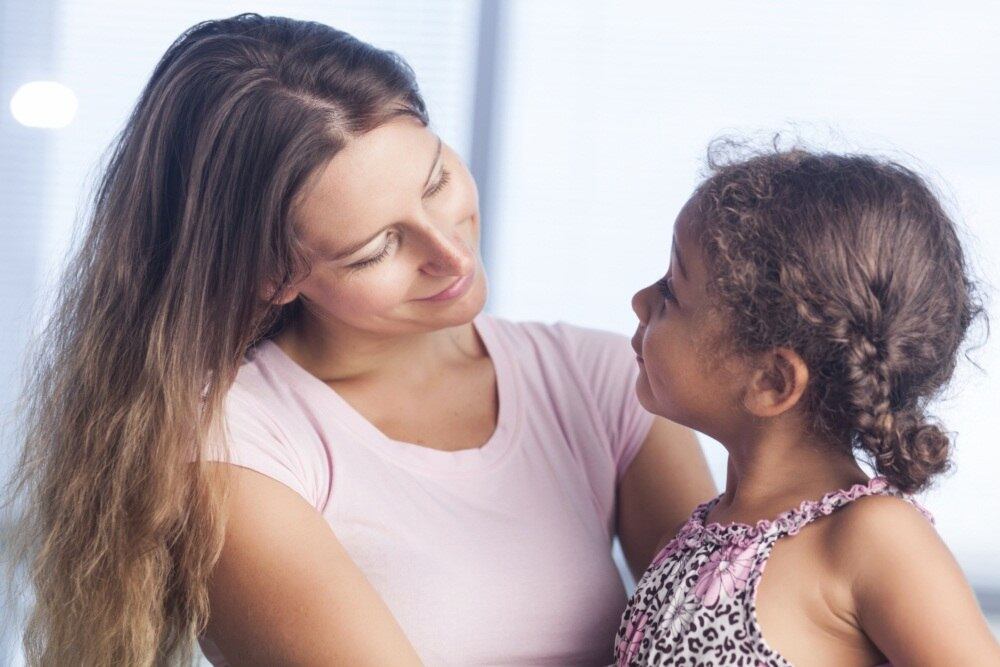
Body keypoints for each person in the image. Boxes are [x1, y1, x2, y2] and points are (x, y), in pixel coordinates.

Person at [8, 14, 714, 666]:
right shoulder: (237, 452)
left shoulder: (606, 380)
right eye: (376, 248)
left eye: (437, 180)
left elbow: (729, 635)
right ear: (271, 275)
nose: (450, 253)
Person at [617, 145, 1000, 665]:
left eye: (672, 292)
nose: (641, 299)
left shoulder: (871, 535)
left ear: (772, 381)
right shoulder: (706, 525)